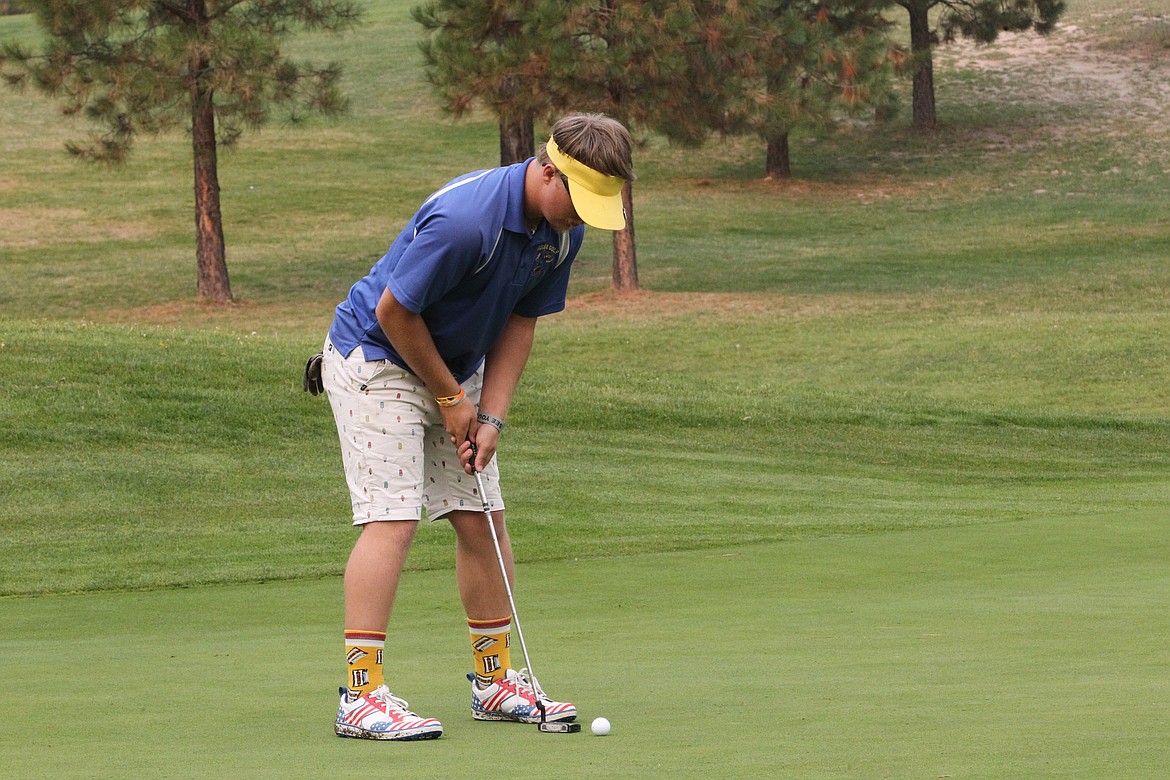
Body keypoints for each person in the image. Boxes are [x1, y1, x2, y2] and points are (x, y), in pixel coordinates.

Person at [315, 113, 635, 741]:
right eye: (581, 200)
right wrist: (448, 395)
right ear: (548, 171)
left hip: (456, 371)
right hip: (376, 356)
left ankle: (494, 682)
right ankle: (361, 696)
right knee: (395, 515)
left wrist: (489, 415)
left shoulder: (562, 231)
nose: (584, 218)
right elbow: (395, 311)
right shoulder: (467, 223)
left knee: (482, 515)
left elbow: (522, 319)